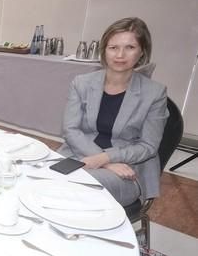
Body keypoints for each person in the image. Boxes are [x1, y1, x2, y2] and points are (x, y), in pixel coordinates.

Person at [59, 17, 168, 205]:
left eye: (130, 47)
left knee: (77, 188)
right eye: (113, 47)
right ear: (104, 50)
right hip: (80, 155)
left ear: (142, 52)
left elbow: (148, 147)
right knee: (40, 179)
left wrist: (105, 157)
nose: (120, 55)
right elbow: (71, 130)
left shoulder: (155, 93)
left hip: (127, 168)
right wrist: (105, 161)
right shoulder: (82, 83)